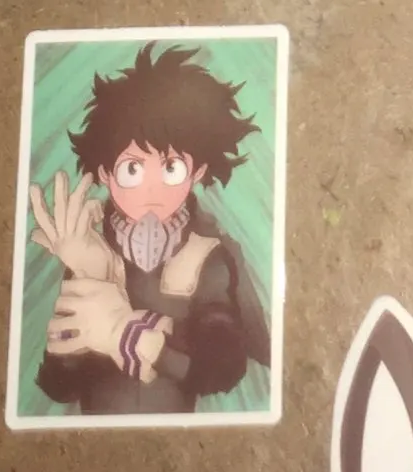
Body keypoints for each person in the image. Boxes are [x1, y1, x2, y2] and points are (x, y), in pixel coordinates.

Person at [28, 44, 269, 416]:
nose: (152, 189)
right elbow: (59, 385)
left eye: (171, 168)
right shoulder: (89, 249)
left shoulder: (207, 255)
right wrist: (90, 288)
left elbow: (220, 370)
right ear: (105, 173)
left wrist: (128, 333)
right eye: (133, 169)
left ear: (197, 172)